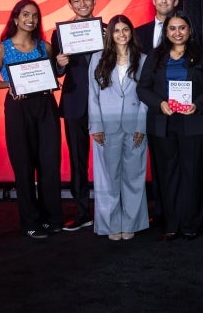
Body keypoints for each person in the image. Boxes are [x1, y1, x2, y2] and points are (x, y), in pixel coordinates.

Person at [137, 13, 203, 241]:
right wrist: (160, 103)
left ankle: (190, 224)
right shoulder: (155, 56)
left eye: (182, 28)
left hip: (193, 121)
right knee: (167, 175)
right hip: (163, 123)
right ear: (166, 32)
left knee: (191, 173)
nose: (177, 32)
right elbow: (143, 88)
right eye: (172, 28)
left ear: (190, 30)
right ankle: (171, 224)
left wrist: (197, 105)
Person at [0, 0, 63, 239]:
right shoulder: (2, 49)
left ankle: (52, 218)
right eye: (26, 15)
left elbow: (50, 77)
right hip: (19, 109)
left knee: (50, 165)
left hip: (45, 107)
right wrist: (11, 85)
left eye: (35, 16)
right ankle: (30, 222)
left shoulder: (45, 48)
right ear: (16, 19)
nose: (31, 19)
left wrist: (54, 80)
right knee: (24, 166)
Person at [87, 14, 149, 240]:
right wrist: (96, 126)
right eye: (116, 30)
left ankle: (131, 223)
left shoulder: (142, 59)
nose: (121, 34)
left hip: (135, 126)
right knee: (107, 178)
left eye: (125, 30)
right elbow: (92, 96)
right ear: (110, 34)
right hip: (106, 126)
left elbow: (146, 96)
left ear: (131, 32)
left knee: (134, 176)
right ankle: (111, 225)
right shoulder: (97, 59)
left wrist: (142, 126)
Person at [53, 0, 100, 231]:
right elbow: (56, 72)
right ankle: (83, 213)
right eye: (76, 1)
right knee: (78, 161)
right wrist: (59, 65)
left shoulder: (107, 30)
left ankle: (109, 212)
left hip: (106, 102)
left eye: (86, 0)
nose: (82, 4)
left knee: (109, 160)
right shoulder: (59, 33)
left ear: (94, 1)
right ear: (70, 5)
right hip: (74, 103)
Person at [135, 0, 181, 224]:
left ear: (175, 3)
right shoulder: (138, 33)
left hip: (178, 107)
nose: (163, 1)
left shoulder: (184, 30)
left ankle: (177, 210)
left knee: (176, 161)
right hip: (145, 103)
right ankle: (159, 210)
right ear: (153, 1)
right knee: (155, 160)